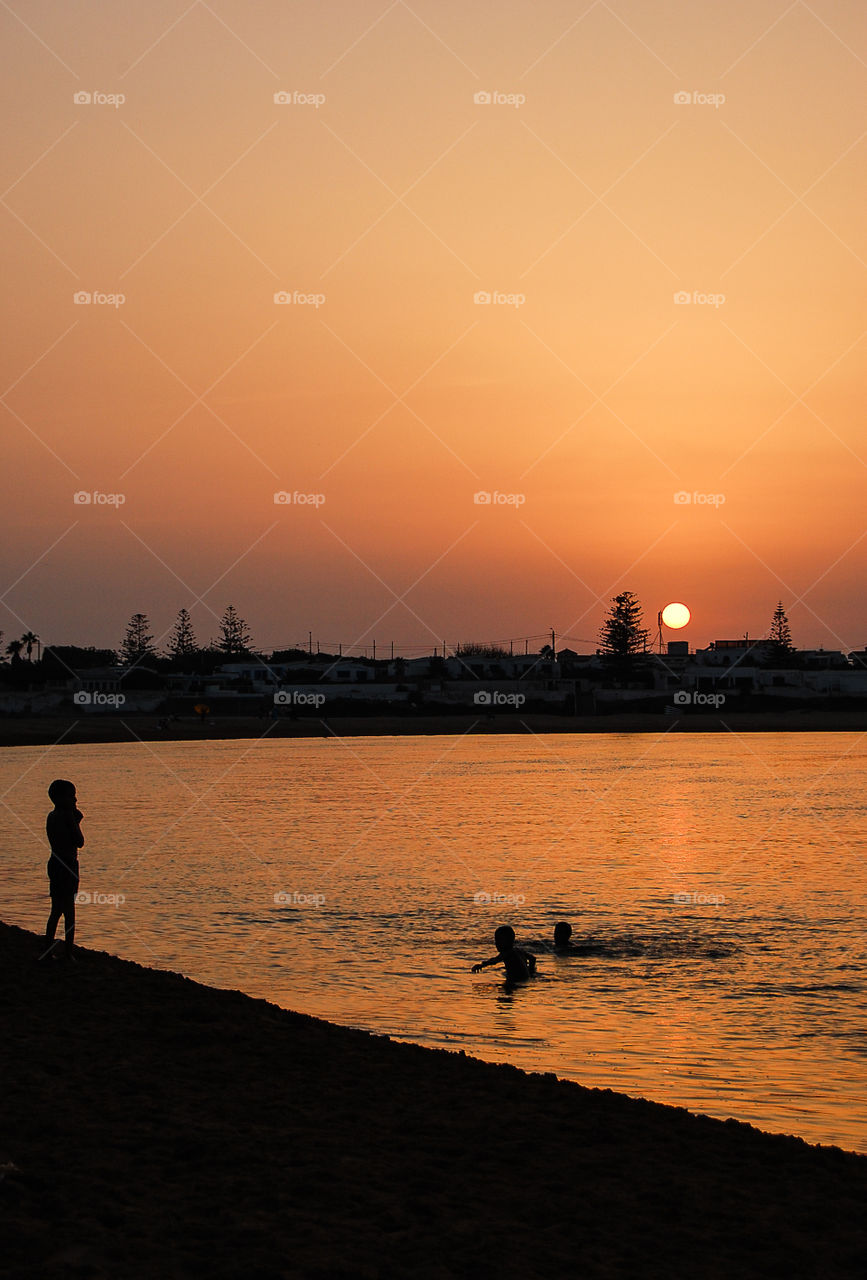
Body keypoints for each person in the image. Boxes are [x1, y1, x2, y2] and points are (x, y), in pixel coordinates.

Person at [43, 779, 84, 960]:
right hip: (68, 865)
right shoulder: (67, 816)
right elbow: (79, 841)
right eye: (71, 796)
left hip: (54, 863)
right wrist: (77, 822)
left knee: (55, 910)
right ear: (60, 798)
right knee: (69, 911)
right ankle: (68, 952)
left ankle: (47, 949)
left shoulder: (51, 816)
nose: (75, 800)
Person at [472, 925, 537, 983]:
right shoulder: (518, 950)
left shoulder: (507, 952)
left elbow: (495, 960)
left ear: (509, 941)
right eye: (496, 941)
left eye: (499, 941)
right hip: (525, 978)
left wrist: (481, 965)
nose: (496, 944)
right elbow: (532, 958)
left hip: (516, 981)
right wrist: (530, 972)